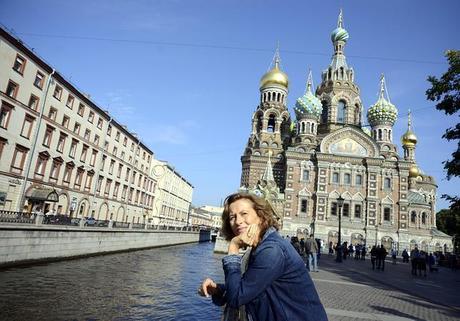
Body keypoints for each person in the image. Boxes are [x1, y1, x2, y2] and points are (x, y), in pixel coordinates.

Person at [198, 192, 327, 321]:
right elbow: (250, 287)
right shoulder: (261, 247)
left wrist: (234, 246)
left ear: (260, 216)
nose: (238, 221)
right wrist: (218, 290)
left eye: (244, 214)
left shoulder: (271, 250)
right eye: (232, 217)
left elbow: (236, 298)